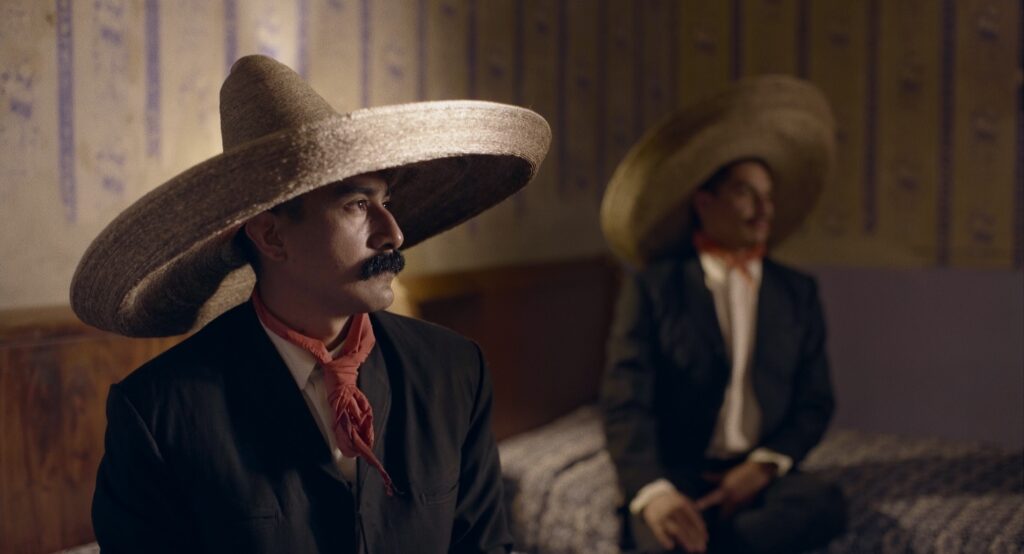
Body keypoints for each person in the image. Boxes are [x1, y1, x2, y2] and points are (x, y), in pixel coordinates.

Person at [71, 55, 551, 553]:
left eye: (386, 202)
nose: (394, 233)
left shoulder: (453, 371)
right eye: (358, 205)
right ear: (272, 236)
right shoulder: (159, 413)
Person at [599, 75, 846, 554]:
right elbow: (626, 403)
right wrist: (654, 494)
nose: (763, 210)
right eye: (745, 193)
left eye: (768, 196)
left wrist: (764, 466)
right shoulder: (655, 288)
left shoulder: (797, 292)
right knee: (665, 537)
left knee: (825, 505)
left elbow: (815, 402)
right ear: (704, 202)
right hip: (677, 475)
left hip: (757, 478)